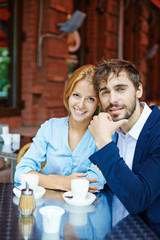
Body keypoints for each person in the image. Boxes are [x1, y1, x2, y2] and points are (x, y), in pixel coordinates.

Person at [88, 59, 160, 234]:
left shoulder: (157, 130)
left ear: (138, 90)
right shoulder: (111, 130)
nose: (112, 100)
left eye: (121, 89)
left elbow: (137, 199)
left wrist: (104, 143)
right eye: (105, 92)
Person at [15, 64, 107, 192]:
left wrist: (44, 179)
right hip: (47, 208)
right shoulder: (50, 128)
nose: (80, 105)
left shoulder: (104, 134)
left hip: (86, 208)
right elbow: (21, 173)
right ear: (68, 94)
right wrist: (58, 182)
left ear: (98, 103)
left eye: (90, 99)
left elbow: (96, 181)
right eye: (76, 95)